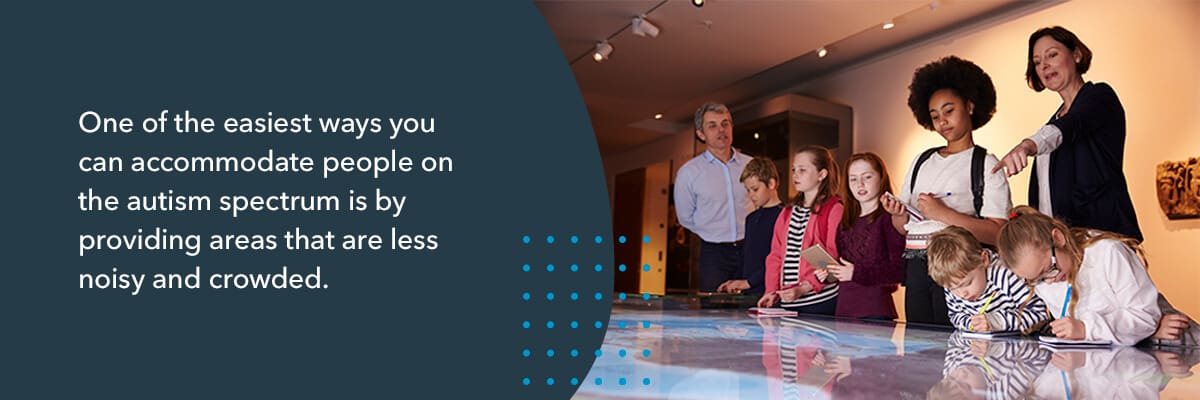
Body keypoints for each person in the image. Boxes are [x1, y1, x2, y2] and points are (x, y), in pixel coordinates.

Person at [881, 55, 1012, 326]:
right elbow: (904, 228)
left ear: (971, 106)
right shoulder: (921, 161)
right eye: (935, 116)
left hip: (958, 268)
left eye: (949, 110)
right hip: (916, 265)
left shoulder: (986, 164)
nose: (942, 121)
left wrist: (943, 214)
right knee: (918, 345)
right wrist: (896, 214)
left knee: (952, 342)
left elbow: (999, 232)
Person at [992, 26, 1142, 241]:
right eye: (1037, 62)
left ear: (1076, 55)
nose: (1044, 65)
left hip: (1101, 239)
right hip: (1064, 246)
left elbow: (1074, 123)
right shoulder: (1053, 122)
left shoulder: (1099, 96)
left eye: (1052, 55)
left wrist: (1027, 145)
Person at [996, 206, 1160, 345]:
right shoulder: (1044, 283)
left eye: (1050, 268)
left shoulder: (1109, 253)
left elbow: (1145, 317)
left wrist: (1086, 329)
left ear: (1058, 238)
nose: (1051, 280)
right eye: (1037, 279)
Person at [674, 101, 754, 292]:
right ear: (701, 134)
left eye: (725, 124)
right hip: (713, 252)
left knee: (753, 308)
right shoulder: (689, 172)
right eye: (713, 125)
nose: (721, 130)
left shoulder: (751, 165)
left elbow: (762, 204)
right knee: (715, 312)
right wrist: (712, 231)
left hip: (750, 248)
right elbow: (685, 217)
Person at [757, 146, 843, 315]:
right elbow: (775, 255)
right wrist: (771, 291)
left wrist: (803, 288)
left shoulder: (834, 209)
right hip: (789, 302)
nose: (795, 175)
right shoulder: (787, 211)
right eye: (794, 169)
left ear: (822, 174)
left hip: (820, 302)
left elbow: (831, 260)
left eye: (802, 170)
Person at [927, 226, 1048, 333]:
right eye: (952, 289)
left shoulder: (1006, 275)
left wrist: (996, 322)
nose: (962, 293)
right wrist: (972, 324)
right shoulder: (951, 281)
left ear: (984, 260)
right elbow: (955, 316)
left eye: (968, 283)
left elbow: (1039, 313)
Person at [829, 153, 904, 319]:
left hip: (875, 311)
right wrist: (831, 272)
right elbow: (846, 266)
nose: (860, 184)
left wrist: (856, 273)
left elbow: (899, 271)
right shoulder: (846, 222)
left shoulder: (890, 218)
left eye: (867, 177)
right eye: (853, 179)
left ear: (881, 178)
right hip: (843, 309)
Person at [718, 157, 783, 296]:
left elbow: (781, 260)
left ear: (771, 183)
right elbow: (746, 257)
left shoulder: (785, 216)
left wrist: (749, 282)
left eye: (755, 189)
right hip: (748, 293)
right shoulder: (751, 219)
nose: (751, 195)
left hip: (772, 293)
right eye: (748, 190)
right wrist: (735, 281)